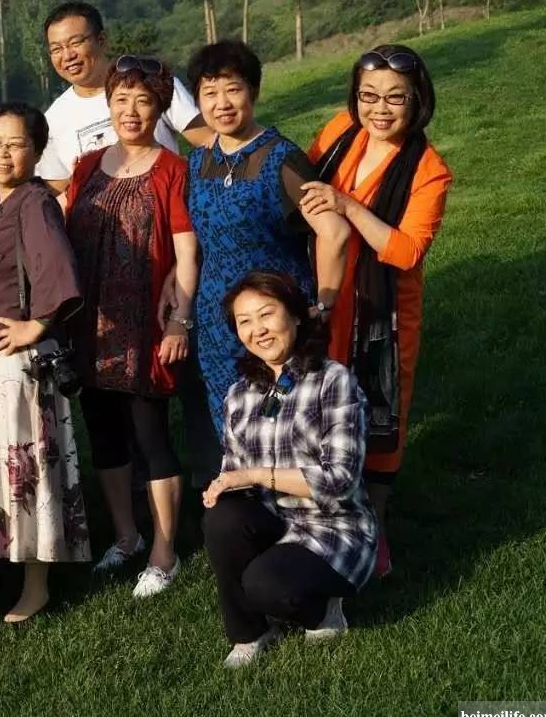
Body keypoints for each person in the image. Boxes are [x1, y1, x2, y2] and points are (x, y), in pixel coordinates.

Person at [299, 45, 453, 577]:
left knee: (380, 413)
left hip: (381, 312)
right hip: (325, 292)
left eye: (394, 98)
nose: (379, 109)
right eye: (368, 96)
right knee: (321, 406)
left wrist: (346, 205)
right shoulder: (340, 129)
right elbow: (302, 181)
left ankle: (374, 528)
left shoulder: (429, 170)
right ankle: (319, 514)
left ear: (418, 101)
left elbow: (406, 251)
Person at [182, 40, 350, 488]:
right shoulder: (197, 162)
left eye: (233, 89)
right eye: (209, 93)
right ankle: (244, 515)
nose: (222, 103)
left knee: (289, 428)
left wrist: (323, 305)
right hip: (218, 326)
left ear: (253, 91)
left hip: (277, 320)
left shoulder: (283, 159)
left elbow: (334, 233)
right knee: (233, 428)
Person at [64, 57, 198, 594]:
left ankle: (165, 552)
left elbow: (186, 252)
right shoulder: (86, 167)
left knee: (151, 435)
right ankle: (125, 537)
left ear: (160, 108)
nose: (131, 111)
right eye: (121, 99)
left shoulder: (172, 170)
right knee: (104, 436)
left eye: (143, 101)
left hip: (146, 327)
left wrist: (180, 320)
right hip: (91, 328)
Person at [202, 270, 376, 669]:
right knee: (221, 517)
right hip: (275, 518)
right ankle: (249, 633)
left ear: (296, 315)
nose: (258, 330)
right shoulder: (240, 394)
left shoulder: (333, 380)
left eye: (267, 314)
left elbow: (340, 481)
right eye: (245, 321)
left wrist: (256, 475)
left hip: (334, 527)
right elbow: (235, 471)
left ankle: (322, 613)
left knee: (266, 586)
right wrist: (221, 488)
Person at [0, 102, 90, 623]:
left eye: (16, 144)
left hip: (18, 364)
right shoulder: (1, 204)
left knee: (27, 472)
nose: (3, 153)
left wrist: (34, 327)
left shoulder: (35, 202)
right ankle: (13, 570)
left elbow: (57, 270)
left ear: (36, 152)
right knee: (9, 470)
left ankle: (37, 584)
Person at [35, 1, 211, 194]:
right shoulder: (50, 122)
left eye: (75, 43)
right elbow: (56, 194)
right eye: (56, 49)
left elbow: (211, 144)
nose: (67, 56)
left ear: (102, 40)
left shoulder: (151, 82)